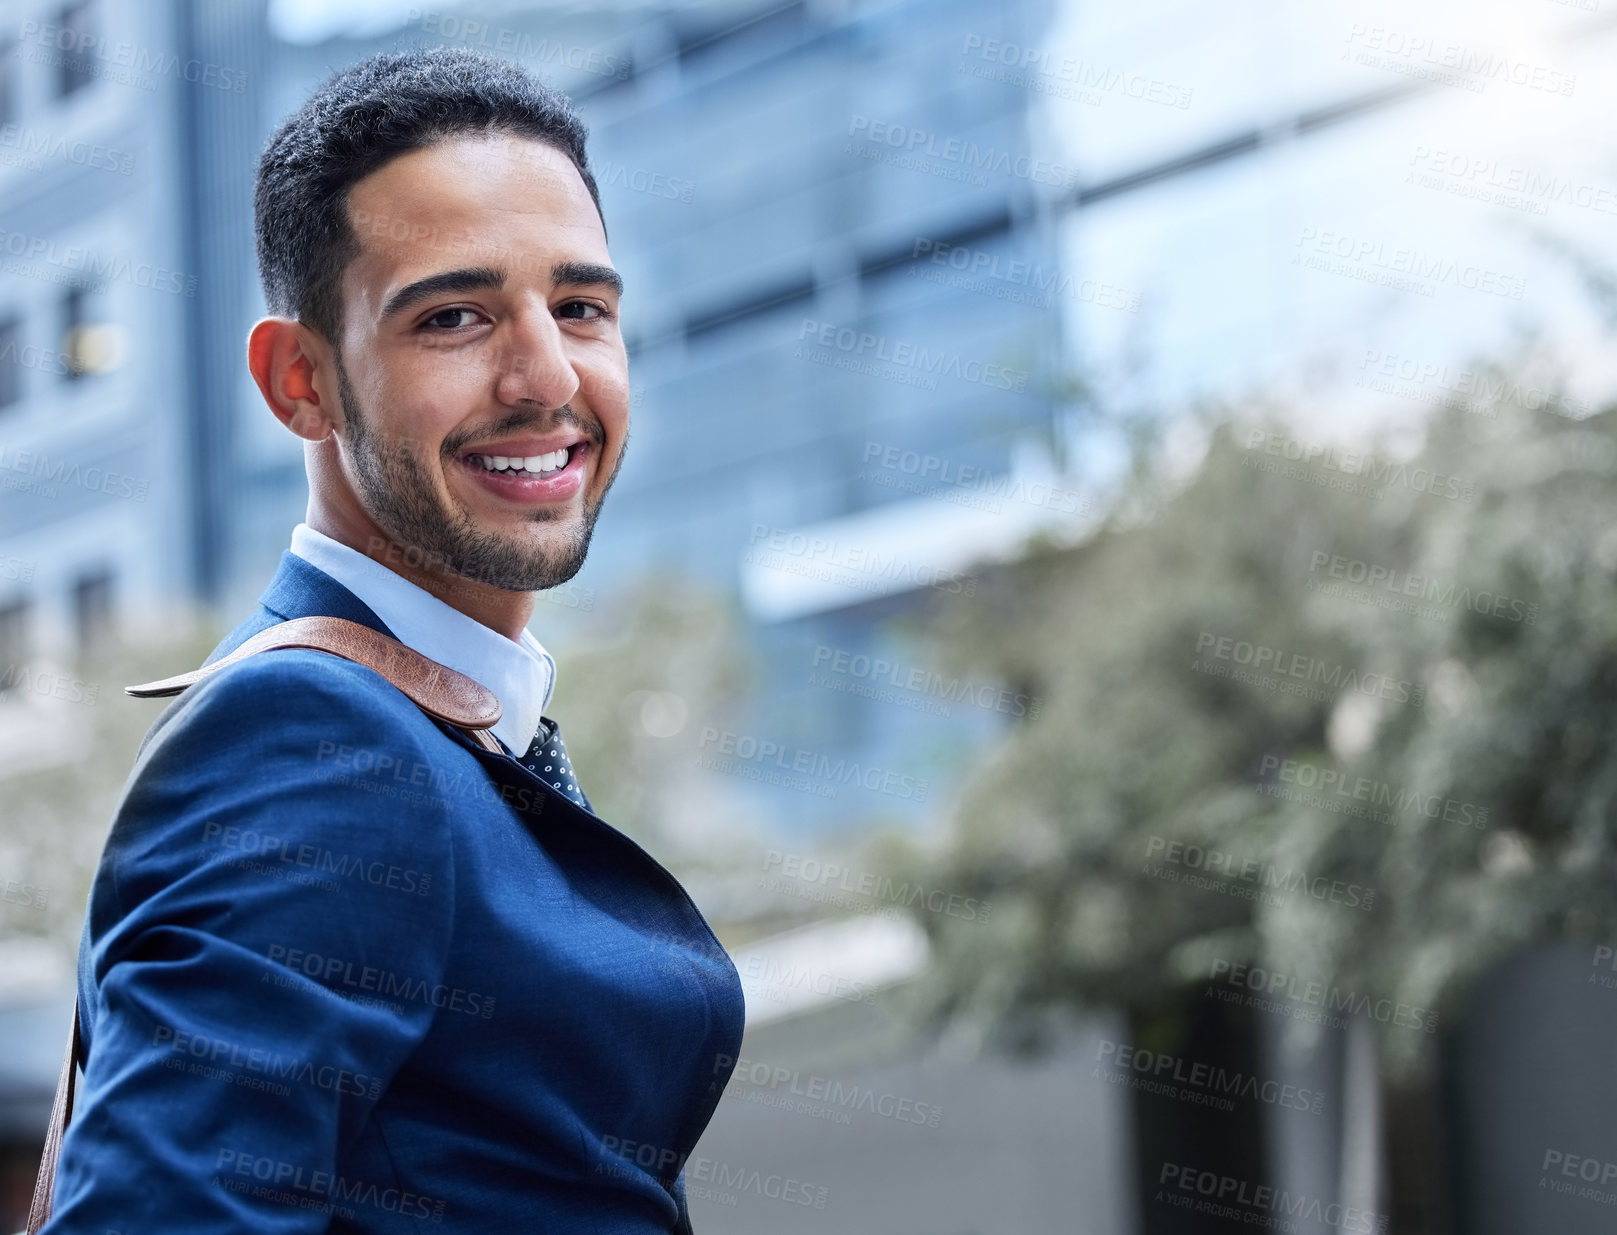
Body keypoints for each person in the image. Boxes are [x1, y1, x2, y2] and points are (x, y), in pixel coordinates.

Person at [41, 46, 744, 1233]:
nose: (546, 375)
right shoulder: (310, 741)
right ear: (300, 379)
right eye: (455, 316)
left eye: (581, 307)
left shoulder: (444, 727)